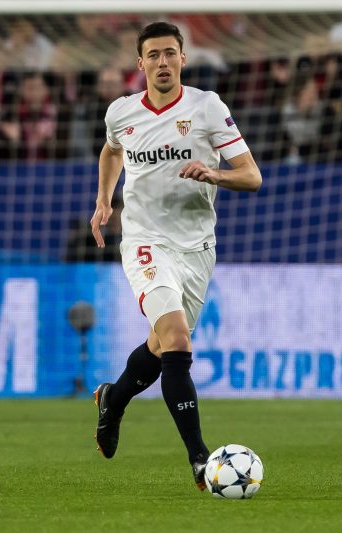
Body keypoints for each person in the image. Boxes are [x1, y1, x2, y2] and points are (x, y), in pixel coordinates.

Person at [90, 22, 262, 491]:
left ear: (183, 59)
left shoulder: (207, 108)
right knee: (177, 339)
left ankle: (113, 399)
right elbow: (111, 152)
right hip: (144, 241)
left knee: (161, 347)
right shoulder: (121, 112)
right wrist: (104, 199)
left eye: (170, 53)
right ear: (140, 63)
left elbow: (251, 176)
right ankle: (200, 459)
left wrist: (215, 174)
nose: (162, 62)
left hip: (196, 248)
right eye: (154, 55)